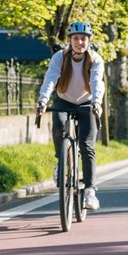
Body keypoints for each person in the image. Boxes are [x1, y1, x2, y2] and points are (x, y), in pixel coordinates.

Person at [36, 21, 106, 211]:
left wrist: (97, 103)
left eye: (83, 39)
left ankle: (90, 190)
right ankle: (61, 162)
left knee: (87, 145)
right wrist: (43, 101)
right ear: (70, 40)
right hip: (64, 100)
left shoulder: (95, 59)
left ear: (89, 41)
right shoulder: (60, 57)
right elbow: (50, 78)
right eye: (76, 39)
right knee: (58, 127)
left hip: (87, 102)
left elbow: (96, 82)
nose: (80, 43)